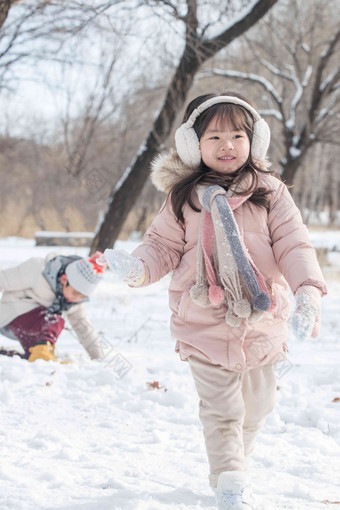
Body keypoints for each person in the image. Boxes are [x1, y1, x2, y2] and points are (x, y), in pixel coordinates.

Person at [98, 92, 327, 509]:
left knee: (258, 408)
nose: (227, 145)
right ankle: (228, 483)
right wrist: (139, 268)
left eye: (237, 135)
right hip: (203, 322)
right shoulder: (184, 197)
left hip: (260, 323)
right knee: (222, 411)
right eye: (214, 136)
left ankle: (234, 468)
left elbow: (295, 246)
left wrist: (307, 289)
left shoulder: (270, 192)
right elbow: (161, 245)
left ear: (253, 141)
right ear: (194, 146)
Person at [0, 251, 107, 362]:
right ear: (64, 279)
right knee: (55, 319)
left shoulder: (73, 302)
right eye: (75, 293)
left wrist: (100, 359)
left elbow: (85, 330)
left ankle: (31, 356)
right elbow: (2, 279)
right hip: (12, 315)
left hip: (35, 327)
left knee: (34, 354)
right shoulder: (37, 269)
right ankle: (42, 352)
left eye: (82, 296)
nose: (76, 299)